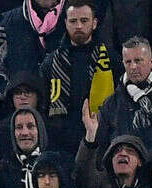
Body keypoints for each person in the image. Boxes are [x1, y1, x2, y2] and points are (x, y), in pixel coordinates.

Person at [40, 0, 115, 156]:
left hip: (103, 142)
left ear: (94, 23)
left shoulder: (112, 61)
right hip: (61, 144)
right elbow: (43, 105)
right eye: (73, 21)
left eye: (84, 20)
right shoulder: (51, 63)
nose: (79, 26)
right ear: (66, 23)